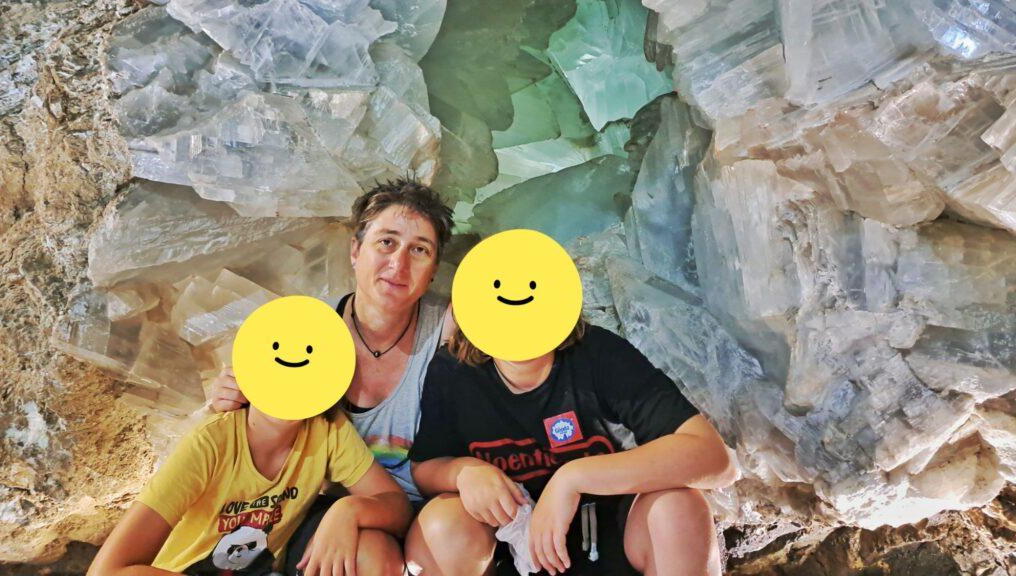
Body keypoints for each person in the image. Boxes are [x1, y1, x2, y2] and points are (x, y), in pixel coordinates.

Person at [209, 178, 457, 574]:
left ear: (433, 271)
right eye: (386, 242)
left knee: (456, 536)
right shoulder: (305, 333)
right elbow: (251, 438)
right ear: (356, 251)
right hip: (335, 509)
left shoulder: (448, 331)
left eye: (420, 250)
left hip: (430, 507)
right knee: (369, 556)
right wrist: (233, 400)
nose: (399, 264)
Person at [404, 317, 739, 576]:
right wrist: (464, 472)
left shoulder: (598, 353)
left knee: (678, 507)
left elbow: (714, 459)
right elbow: (425, 468)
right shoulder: (453, 372)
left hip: (611, 536)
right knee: (441, 523)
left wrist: (572, 478)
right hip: (513, 548)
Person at [87, 400, 412, 576]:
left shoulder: (326, 429)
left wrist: (349, 509)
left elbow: (396, 506)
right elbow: (106, 571)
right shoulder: (211, 443)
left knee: (374, 551)